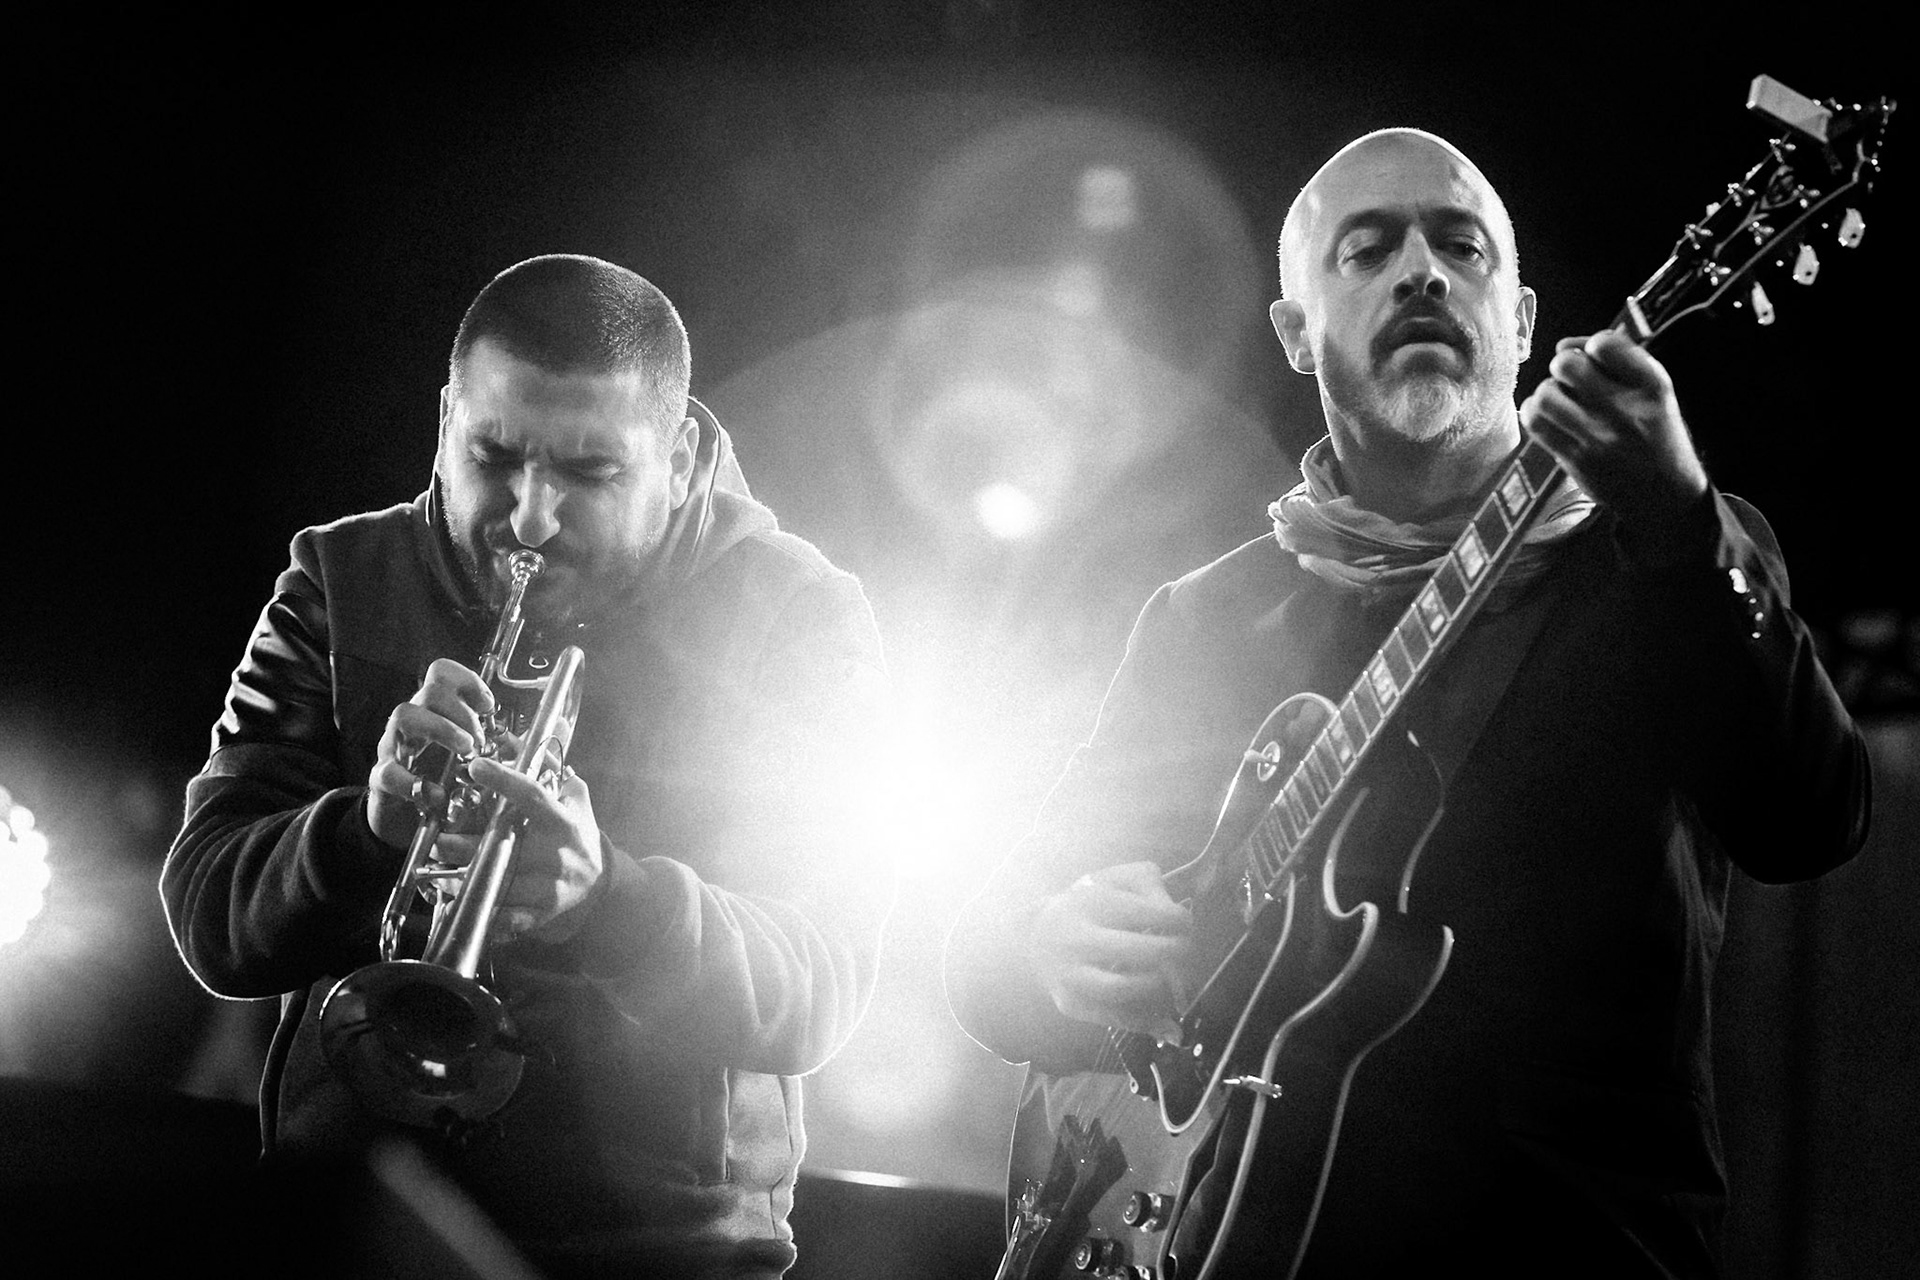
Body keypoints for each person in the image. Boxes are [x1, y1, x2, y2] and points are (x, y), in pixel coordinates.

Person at [943, 129, 1871, 1278]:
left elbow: (1813, 817)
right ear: (1295, 334)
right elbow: (991, 941)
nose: (1423, 271)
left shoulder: (1666, 559)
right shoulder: (1207, 619)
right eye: (1367, 249)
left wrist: (1683, 521)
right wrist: (1042, 947)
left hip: (1570, 1243)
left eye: (1461, 246)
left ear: (1523, 322)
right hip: (1227, 1233)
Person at [161, 254, 894, 1279]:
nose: (529, 518)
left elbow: (820, 984)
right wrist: (359, 832)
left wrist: (608, 902)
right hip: (349, 1211)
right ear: (445, 420)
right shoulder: (337, 576)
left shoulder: (797, 615)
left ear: (678, 459)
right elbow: (207, 914)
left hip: (658, 1248)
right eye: (493, 456)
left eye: (591, 474)